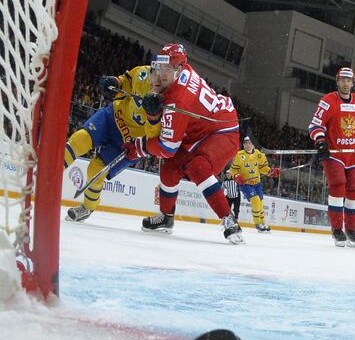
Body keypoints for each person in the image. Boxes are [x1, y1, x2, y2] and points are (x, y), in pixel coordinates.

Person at [140, 43, 244, 244]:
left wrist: (143, 145)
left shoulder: (177, 101)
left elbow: (167, 148)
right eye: (159, 67)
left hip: (223, 130)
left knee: (198, 167)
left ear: (178, 70)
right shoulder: (182, 70)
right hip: (199, 131)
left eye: (166, 69)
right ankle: (166, 217)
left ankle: (229, 219)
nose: (160, 74)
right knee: (169, 170)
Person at [63, 64, 163, 222]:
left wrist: (153, 117)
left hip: (129, 143)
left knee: (95, 170)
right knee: (79, 139)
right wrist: (114, 83)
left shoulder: (170, 101)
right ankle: (48, 176)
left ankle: (88, 207)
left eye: (162, 76)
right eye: (155, 73)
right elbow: (126, 82)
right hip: (112, 116)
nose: (156, 80)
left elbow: (157, 136)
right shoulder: (142, 73)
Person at [308, 66, 355, 248]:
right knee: (338, 188)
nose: (346, 84)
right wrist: (321, 142)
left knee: (354, 191)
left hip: (353, 155)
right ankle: (337, 229)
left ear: (353, 83)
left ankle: (351, 229)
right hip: (335, 154)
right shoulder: (328, 101)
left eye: (349, 80)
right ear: (337, 81)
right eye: (342, 80)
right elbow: (315, 126)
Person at [229, 137, 280, 233]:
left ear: (252, 144)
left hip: (257, 183)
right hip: (246, 184)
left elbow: (263, 169)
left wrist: (271, 172)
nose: (247, 145)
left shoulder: (259, 155)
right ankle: (258, 224)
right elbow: (232, 170)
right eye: (245, 143)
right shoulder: (239, 156)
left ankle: (262, 223)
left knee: (260, 203)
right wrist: (236, 176)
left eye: (249, 143)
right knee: (255, 201)